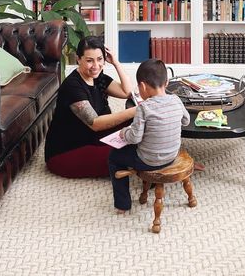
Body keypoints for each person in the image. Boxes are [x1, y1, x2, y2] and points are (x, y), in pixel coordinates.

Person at [45, 36, 135, 178]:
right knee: (127, 152)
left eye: (100, 59)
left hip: (92, 137)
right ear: (78, 59)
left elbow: (127, 92)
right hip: (67, 152)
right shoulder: (72, 86)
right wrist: (133, 111)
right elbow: (95, 124)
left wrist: (115, 62)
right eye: (89, 60)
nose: (96, 65)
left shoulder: (98, 77)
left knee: (136, 122)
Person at [108, 58, 190, 213]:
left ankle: (122, 205)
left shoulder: (143, 108)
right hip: (172, 155)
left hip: (148, 160)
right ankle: (149, 183)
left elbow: (135, 138)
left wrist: (123, 132)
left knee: (114, 156)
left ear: (143, 86)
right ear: (166, 83)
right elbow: (186, 121)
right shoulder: (176, 100)